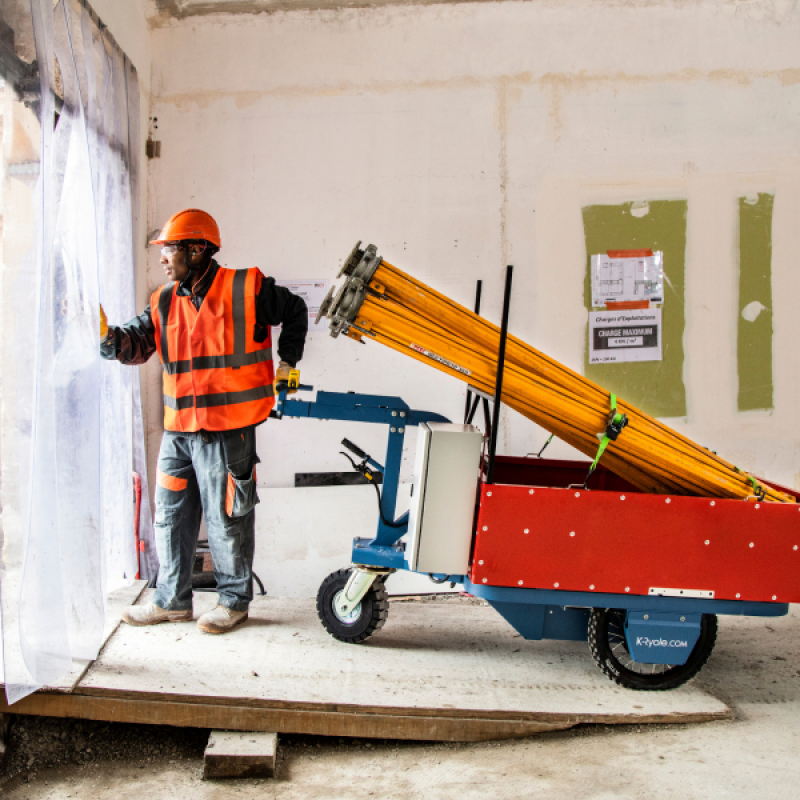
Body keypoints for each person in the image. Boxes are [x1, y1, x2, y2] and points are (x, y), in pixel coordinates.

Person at [101, 209, 307, 634]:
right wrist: (105, 336)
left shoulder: (246, 288)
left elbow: (296, 309)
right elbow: (134, 344)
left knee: (227, 518)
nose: (162, 258)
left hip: (228, 428)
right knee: (171, 517)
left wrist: (288, 363)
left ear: (196, 249)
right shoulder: (163, 301)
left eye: (169, 248)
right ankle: (171, 601)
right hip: (179, 432)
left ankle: (233, 602)